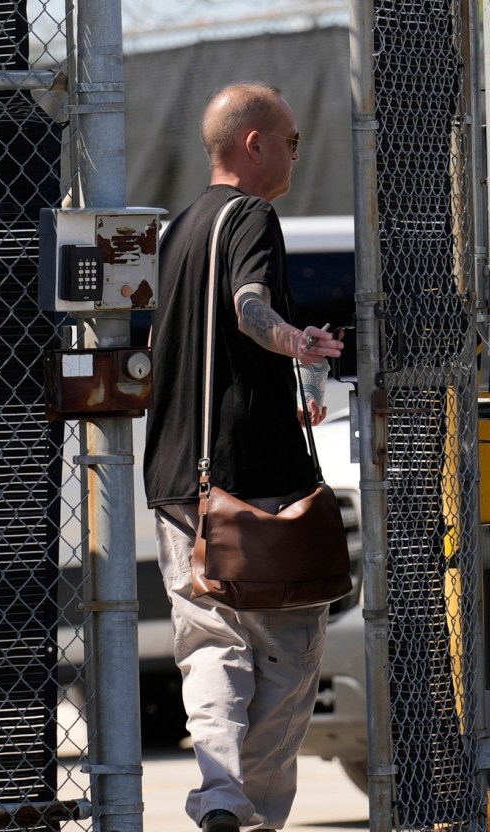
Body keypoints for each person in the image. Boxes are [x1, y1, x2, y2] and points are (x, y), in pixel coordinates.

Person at [143, 83, 344, 832]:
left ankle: (220, 794)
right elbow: (249, 305)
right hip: (253, 487)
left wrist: (279, 386)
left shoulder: (178, 228)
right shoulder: (254, 215)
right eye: (291, 141)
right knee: (286, 661)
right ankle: (252, 814)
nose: (297, 153)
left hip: (176, 484)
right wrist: (293, 339)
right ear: (253, 143)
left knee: (209, 649)